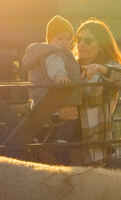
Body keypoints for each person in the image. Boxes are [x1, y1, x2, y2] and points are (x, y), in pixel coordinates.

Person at [71, 18, 121, 166]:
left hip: (93, 144)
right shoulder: (69, 66)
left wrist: (101, 68)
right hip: (62, 144)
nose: (81, 44)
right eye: (78, 39)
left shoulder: (107, 69)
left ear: (101, 46)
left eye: (88, 40)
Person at [22, 15, 81, 144]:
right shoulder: (54, 53)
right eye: (60, 38)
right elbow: (55, 65)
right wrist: (60, 75)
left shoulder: (58, 52)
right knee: (70, 116)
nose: (65, 42)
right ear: (50, 40)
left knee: (48, 119)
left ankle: (40, 138)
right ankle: (61, 141)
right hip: (51, 93)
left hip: (45, 94)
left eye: (68, 39)